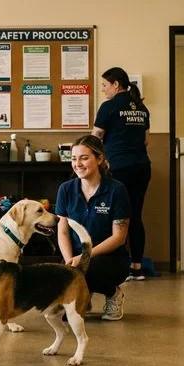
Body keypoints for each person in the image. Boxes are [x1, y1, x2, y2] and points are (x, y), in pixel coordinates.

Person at [56, 135, 131, 321]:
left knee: (90, 266)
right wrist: (68, 263)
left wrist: (84, 257)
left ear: (99, 159)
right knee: (56, 287)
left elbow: (119, 237)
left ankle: (113, 293)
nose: (77, 164)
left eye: (84, 158)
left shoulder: (116, 190)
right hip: (75, 256)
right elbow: (63, 231)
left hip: (109, 259)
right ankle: (83, 296)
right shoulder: (65, 189)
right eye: (74, 159)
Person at [92, 67, 151, 281]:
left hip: (118, 167)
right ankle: (137, 267)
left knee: (115, 216)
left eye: (105, 85)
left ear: (116, 84)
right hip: (142, 167)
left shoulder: (108, 107)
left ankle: (117, 266)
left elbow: (95, 138)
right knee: (136, 215)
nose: (103, 90)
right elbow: (146, 141)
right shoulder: (142, 108)